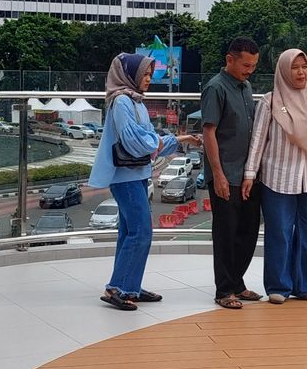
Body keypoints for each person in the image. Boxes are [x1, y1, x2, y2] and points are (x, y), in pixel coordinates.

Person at [90, 52, 201, 311]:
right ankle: (117, 288)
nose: (149, 79)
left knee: (129, 232)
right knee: (141, 232)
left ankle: (130, 286)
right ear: (130, 76)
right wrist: (157, 142)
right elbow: (135, 141)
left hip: (138, 174)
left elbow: (150, 140)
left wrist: (179, 140)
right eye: (145, 74)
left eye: (150, 74)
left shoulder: (136, 102)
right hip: (125, 177)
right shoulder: (121, 102)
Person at [242, 49, 307, 304]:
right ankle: (279, 286)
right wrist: (250, 174)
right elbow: (258, 140)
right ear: (284, 71)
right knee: (280, 233)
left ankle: (305, 285)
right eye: (295, 68)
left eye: (304, 67)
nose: (300, 72)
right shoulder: (270, 101)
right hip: (278, 177)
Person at [201, 36, 261, 309]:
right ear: (230, 59)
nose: (250, 70)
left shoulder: (246, 87)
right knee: (225, 233)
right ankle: (224, 289)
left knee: (247, 231)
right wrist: (218, 175)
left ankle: (237, 282)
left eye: (253, 65)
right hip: (225, 173)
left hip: (247, 174)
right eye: (246, 65)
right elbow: (209, 132)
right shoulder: (216, 88)